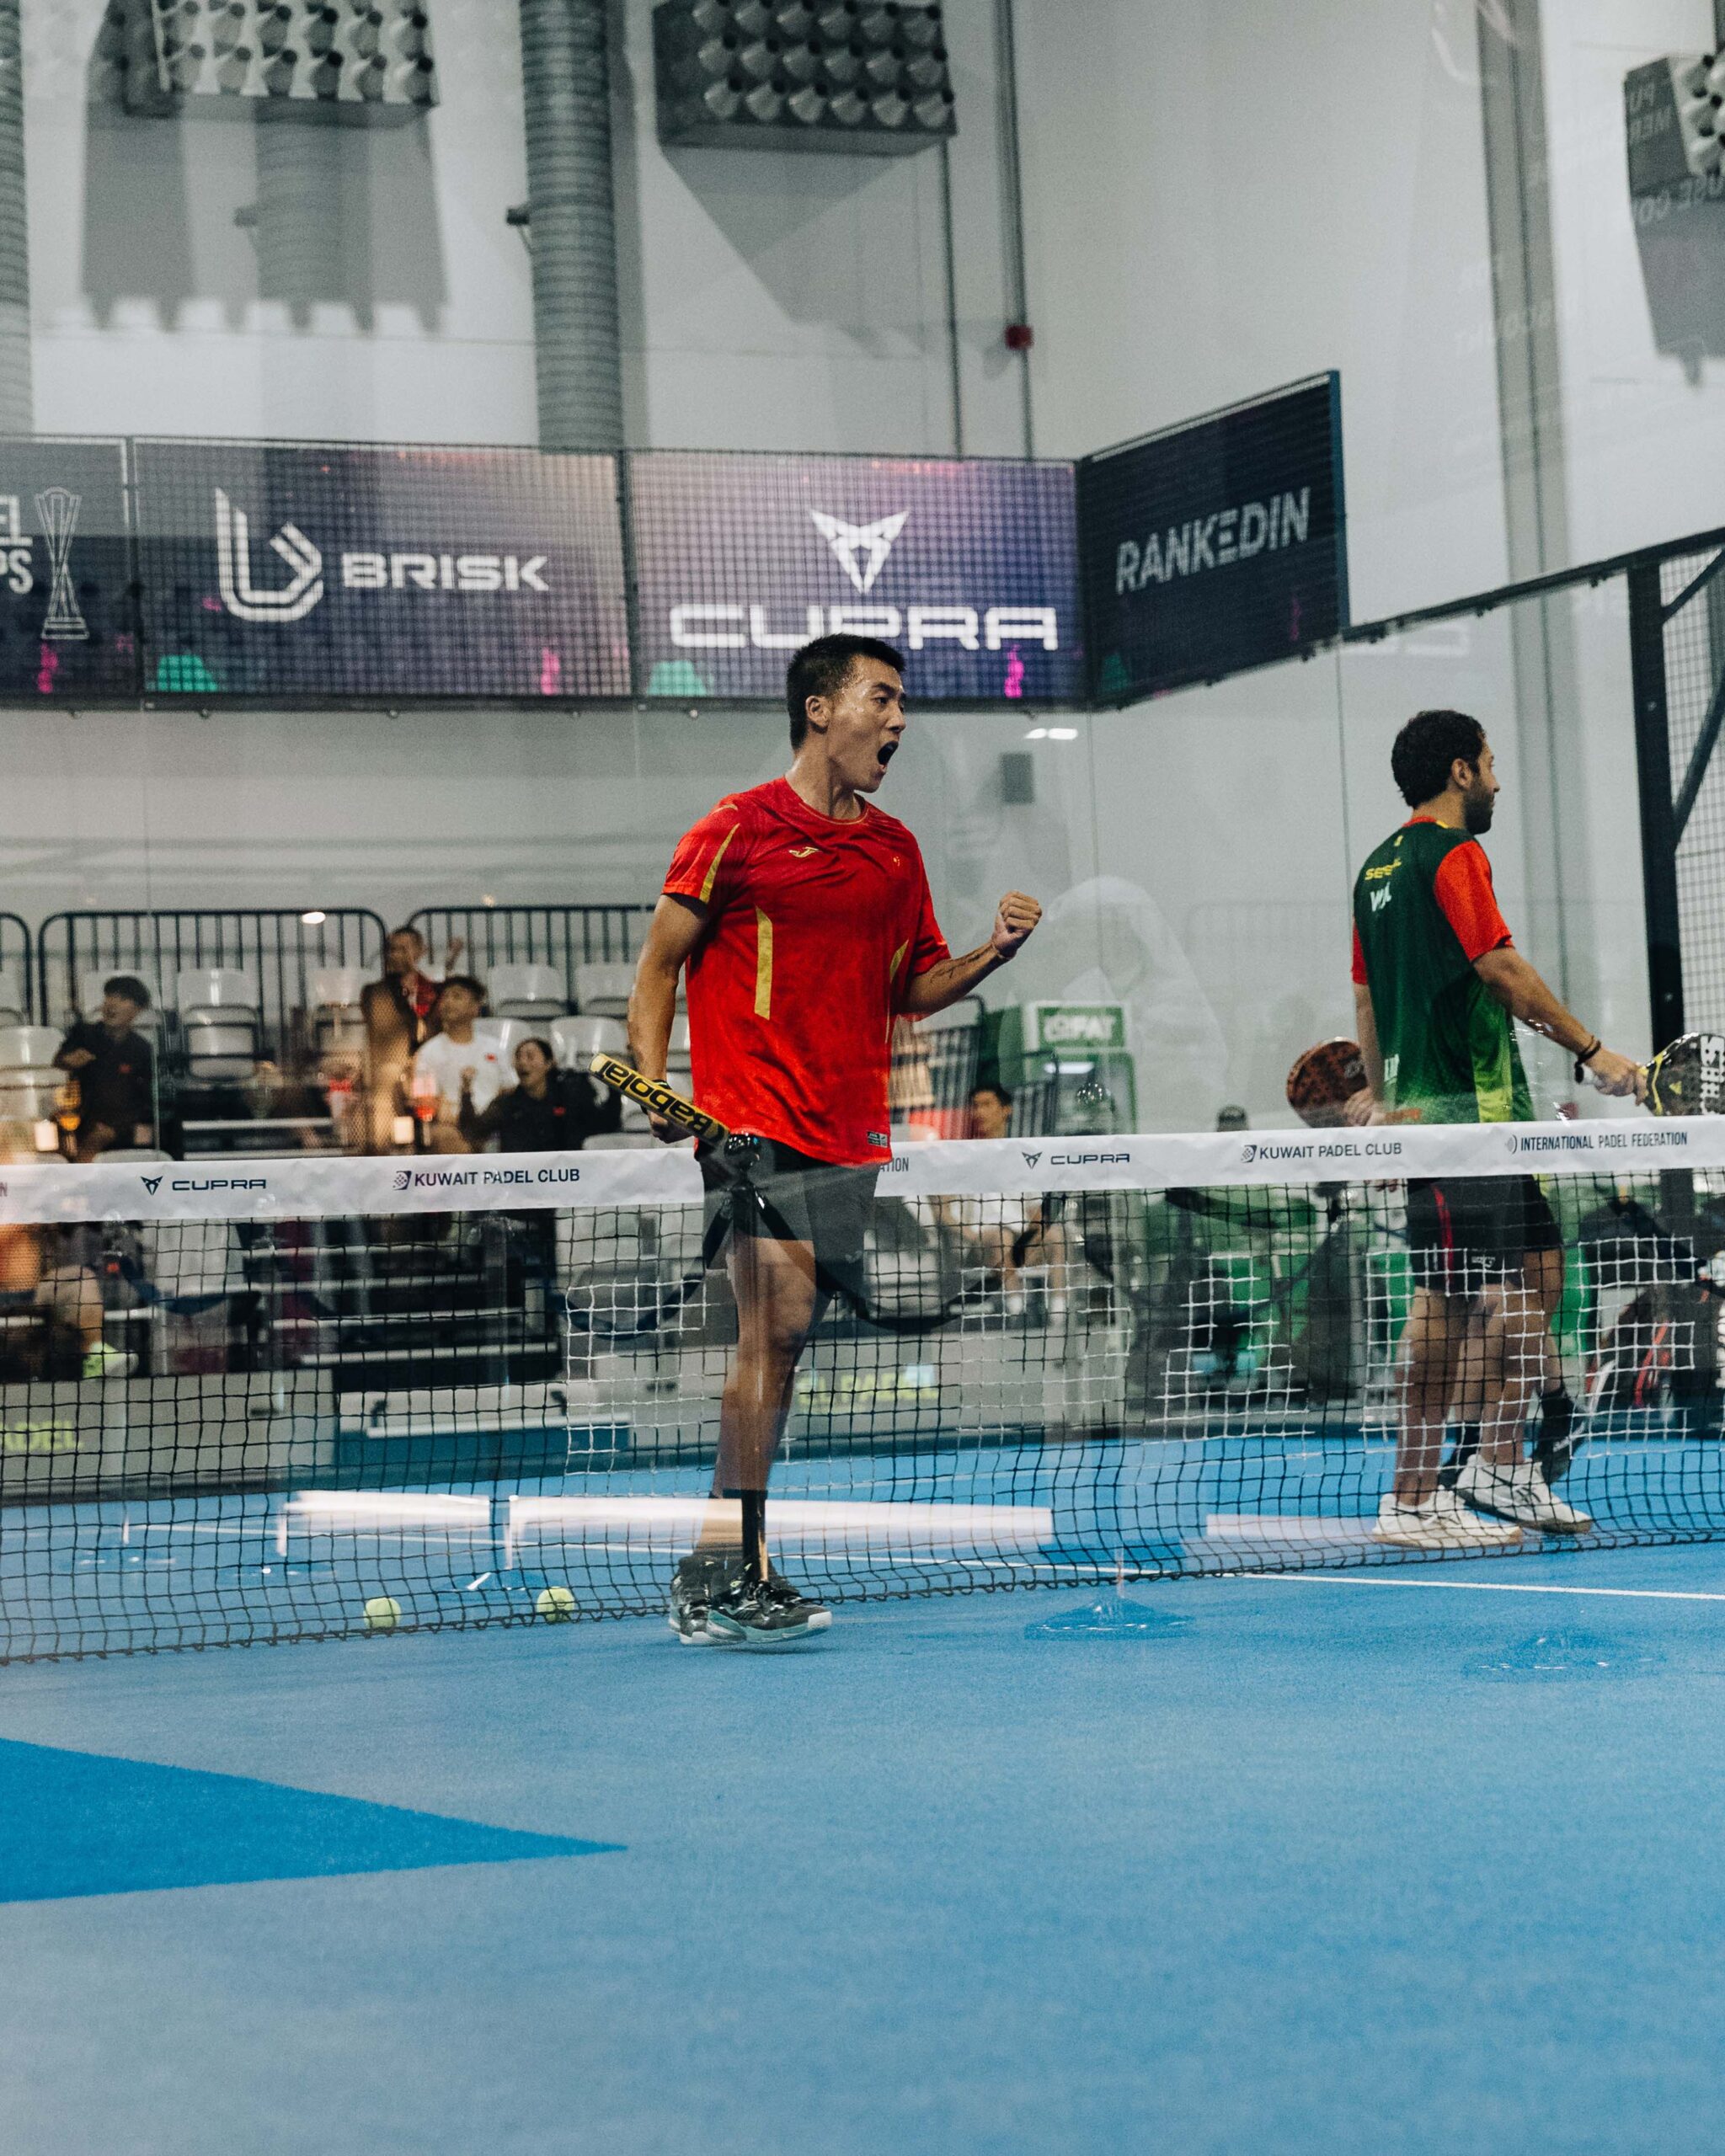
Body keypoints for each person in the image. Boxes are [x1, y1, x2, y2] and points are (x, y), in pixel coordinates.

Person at [629, 631, 1042, 1647]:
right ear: (819, 709)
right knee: (773, 1325)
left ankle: (720, 1561)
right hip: (749, 1122)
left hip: (847, 1129)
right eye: (881, 698)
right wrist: (652, 1080)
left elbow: (913, 986)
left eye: (901, 704)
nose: (898, 719)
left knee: (785, 1342)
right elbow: (659, 962)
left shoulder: (893, 850)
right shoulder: (734, 828)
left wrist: (992, 951)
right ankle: (730, 1566)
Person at [1348, 708, 1642, 1550]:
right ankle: (1410, 1498)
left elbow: (1366, 998)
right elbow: (1500, 968)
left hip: (1490, 1125)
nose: (1497, 780)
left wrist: (1380, 1099)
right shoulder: (1453, 854)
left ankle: (1498, 1462)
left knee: (1538, 1279)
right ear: (1459, 771)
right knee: (1444, 1307)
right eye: (1488, 762)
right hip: (1457, 1124)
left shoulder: (1372, 871)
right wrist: (1593, 1051)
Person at [360, 926, 462, 1153]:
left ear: (420, 951)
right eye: (392, 949)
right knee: (385, 1088)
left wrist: (449, 964)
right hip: (394, 1072)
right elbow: (383, 1030)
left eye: (403, 949)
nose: (396, 955)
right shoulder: (376, 992)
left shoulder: (434, 992)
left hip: (430, 1072)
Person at [457, 1036, 621, 1152]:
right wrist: (466, 1091)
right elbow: (472, 1131)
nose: (522, 1062)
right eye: (518, 1057)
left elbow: (606, 1124)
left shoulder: (570, 1096)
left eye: (530, 1056)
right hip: (521, 1180)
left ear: (549, 1064)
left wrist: (614, 1088)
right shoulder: (507, 1102)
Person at [53, 976, 155, 1161]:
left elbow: (144, 1101)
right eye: (109, 996)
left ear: (138, 1010)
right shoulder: (84, 1033)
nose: (112, 1004)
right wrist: (69, 1060)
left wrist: (114, 1129)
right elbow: (59, 1060)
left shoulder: (141, 1049)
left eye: (123, 999)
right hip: (83, 1118)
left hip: (121, 1125)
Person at [405, 975, 506, 1151]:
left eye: (457, 996)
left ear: (475, 1007)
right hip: (453, 1128)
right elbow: (424, 1100)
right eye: (445, 997)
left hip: (493, 1124)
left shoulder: (494, 1048)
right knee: (445, 1136)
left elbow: (508, 1088)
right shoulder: (428, 1052)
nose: (448, 1002)